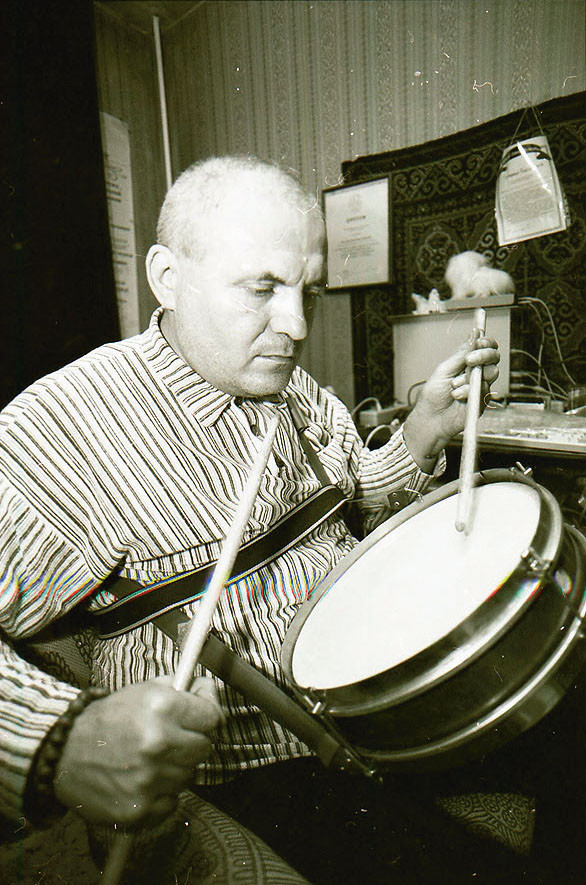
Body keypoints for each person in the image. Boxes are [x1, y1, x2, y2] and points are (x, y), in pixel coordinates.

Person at [0, 156, 515, 883]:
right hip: (255, 772)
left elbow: (354, 496)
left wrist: (425, 430)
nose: (297, 325)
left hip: (377, 702)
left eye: (308, 290)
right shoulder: (63, 427)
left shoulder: (291, 387)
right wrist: (55, 740)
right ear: (167, 278)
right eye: (262, 289)